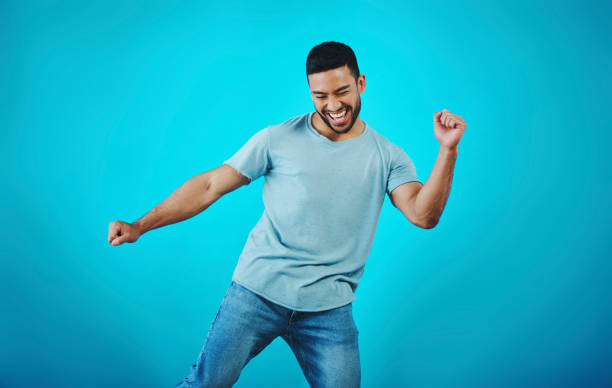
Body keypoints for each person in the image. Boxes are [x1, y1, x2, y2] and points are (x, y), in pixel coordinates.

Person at [107, 41, 467, 388]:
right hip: (257, 292)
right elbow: (209, 186)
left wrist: (447, 150)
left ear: (361, 83)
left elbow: (424, 215)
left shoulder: (389, 156)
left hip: (329, 308)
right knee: (206, 383)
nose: (333, 105)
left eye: (341, 92)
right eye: (320, 96)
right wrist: (140, 225)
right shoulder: (277, 139)